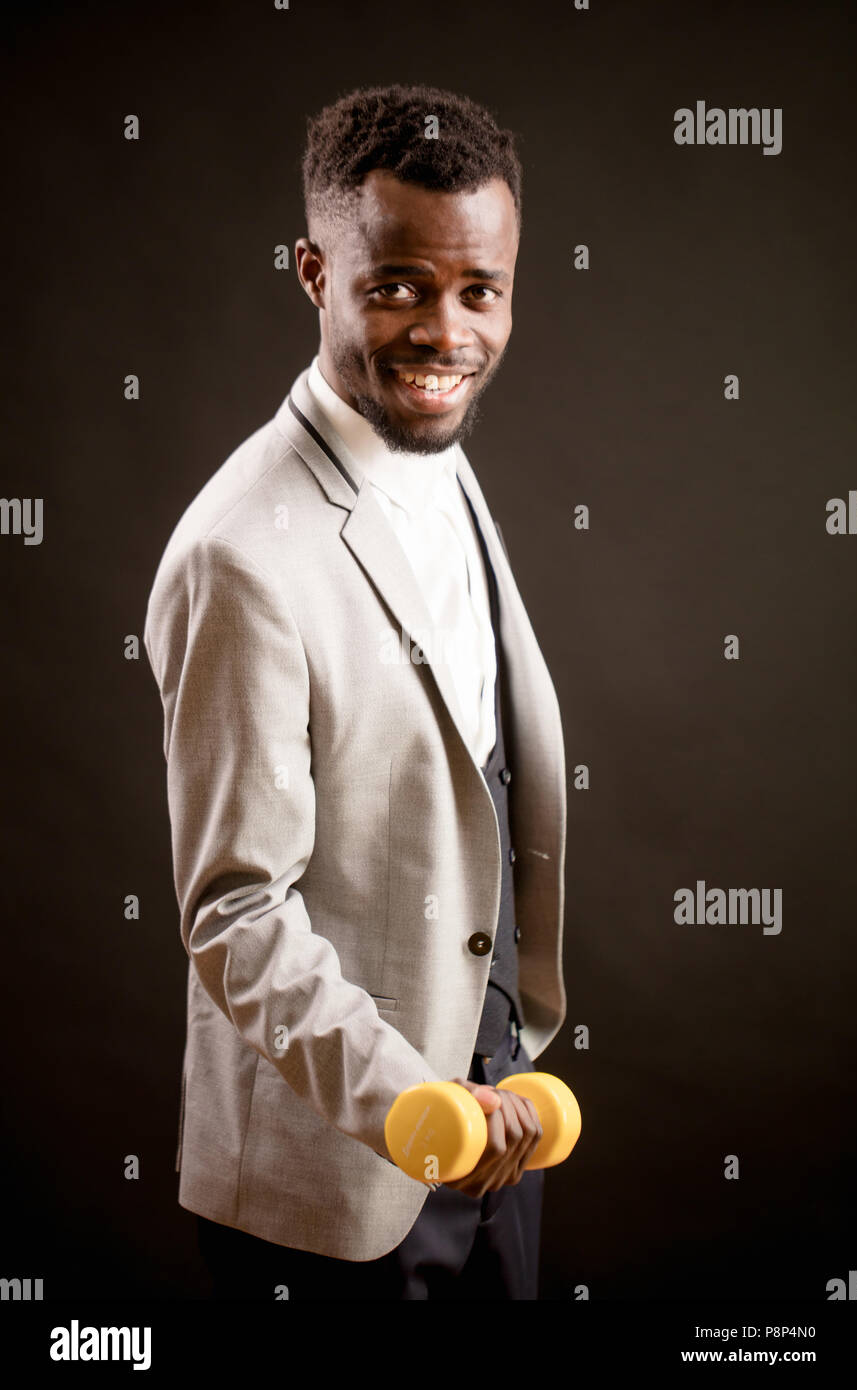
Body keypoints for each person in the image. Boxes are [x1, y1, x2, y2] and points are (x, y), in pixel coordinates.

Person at [143, 82, 567, 1301]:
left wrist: (482, 1088)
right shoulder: (240, 554)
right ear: (313, 271)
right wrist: (413, 1107)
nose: (447, 333)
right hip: (337, 1184)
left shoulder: (433, 448)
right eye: (396, 287)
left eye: (477, 292)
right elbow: (235, 915)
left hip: (498, 1125)